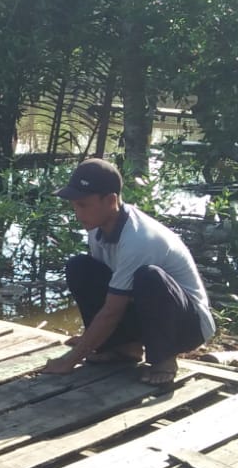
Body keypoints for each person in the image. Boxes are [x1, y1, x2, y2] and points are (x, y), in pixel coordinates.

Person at [41, 157, 214, 389]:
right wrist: (89, 340)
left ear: (111, 200)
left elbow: (113, 310)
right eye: (74, 205)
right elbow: (103, 288)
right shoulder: (97, 228)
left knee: (148, 277)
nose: (77, 212)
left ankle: (164, 359)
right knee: (80, 267)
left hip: (187, 326)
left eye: (83, 205)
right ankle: (123, 348)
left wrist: (70, 360)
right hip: (146, 311)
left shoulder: (139, 239)